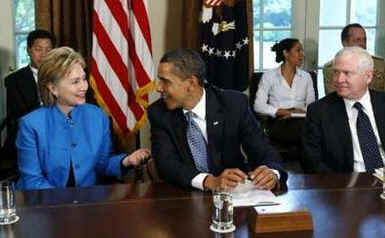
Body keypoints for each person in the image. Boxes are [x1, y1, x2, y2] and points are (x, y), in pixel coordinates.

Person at [148, 48, 287, 191]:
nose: (159, 88)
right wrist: (208, 181)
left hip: (235, 194)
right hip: (184, 194)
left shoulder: (234, 104)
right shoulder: (159, 112)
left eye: (165, 81)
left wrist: (272, 172)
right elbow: (166, 163)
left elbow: (262, 148)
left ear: (191, 83)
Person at [16, 47, 150, 190]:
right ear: (53, 88)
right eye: (75, 82)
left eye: (84, 79)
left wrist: (126, 161)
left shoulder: (98, 117)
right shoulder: (30, 124)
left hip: (87, 202)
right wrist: (67, 204)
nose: (84, 87)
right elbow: (32, 181)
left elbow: (102, 165)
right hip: (45, 205)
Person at [303, 47, 385, 173]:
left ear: (368, 76)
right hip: (346, 183)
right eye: (336, 72)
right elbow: (311, 161)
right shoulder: (319, 111)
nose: (339, 80)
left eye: (347, 73)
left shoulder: (382, 102)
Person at [3, 29, 56, 162]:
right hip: (27, 140)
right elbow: (19, 118)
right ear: (28, 50)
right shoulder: (14, 80)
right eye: (38, 49)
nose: (44, 55)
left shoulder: (64, 77)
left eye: (48, 50)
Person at [254, 38, 315, 147]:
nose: (302, 54)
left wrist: (293, 113)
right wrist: (281, 112)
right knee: (306, 134)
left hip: (302, 119)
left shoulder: (306, 77)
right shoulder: (269, 76)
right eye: (298, 50)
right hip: (279, 121)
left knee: (307, 129)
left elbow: (312, 106)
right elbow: (258, 106)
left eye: (302, 51)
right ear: (286, 53)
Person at [323, 23, 385, 94]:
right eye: (357, 40)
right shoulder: (332, 68)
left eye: (364, 40)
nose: (362, 44)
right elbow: (334, 98)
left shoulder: (380, 65)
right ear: (345, 43)